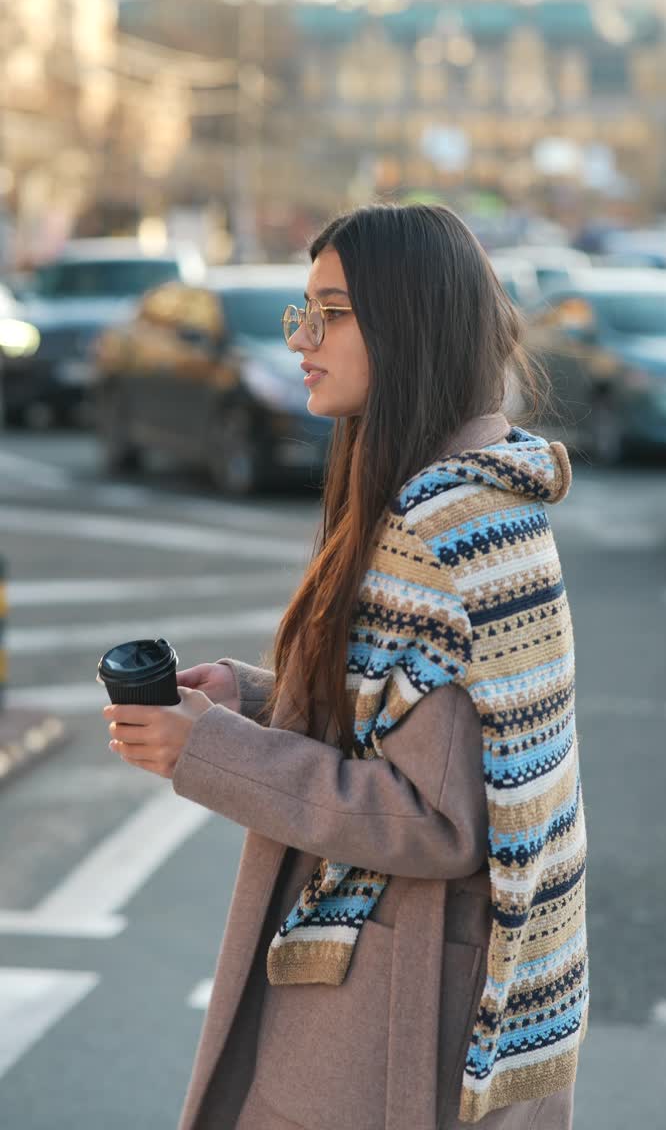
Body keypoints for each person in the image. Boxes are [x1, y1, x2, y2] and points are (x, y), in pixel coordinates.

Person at [103, 203, 589, 1130]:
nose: (302, 338)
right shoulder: (474, 496)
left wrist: (208, 754)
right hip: (421, 994)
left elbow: (438, 822)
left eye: (332, 312)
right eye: (302, 309)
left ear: (407, 323)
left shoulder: (438, 531)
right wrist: (249, 701)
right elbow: (411, 726)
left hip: (393, 1024)